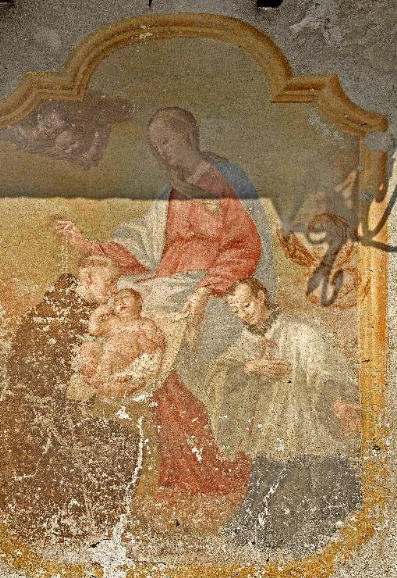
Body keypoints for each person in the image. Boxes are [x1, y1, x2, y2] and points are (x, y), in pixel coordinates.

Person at [55, 106, 274, 499]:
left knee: (167, 346)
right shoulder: (170, 191)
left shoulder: (222, 180)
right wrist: (89, 246)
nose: (163, 151)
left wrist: (206, 290)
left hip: (215, 289)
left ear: (187, 136)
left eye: (167, 141)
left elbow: (244, 245)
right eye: (157, 146)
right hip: (168, 285)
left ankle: (222, 470)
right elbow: (144, 245)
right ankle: (181, 472)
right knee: (134, 329)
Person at [0, 256, 141, 546]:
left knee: (126, 441)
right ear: (88, 279)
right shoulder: (56, 314)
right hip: (34, 422)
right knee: (120, 445)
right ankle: (70, 530)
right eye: (109, 283)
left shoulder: (82, 310)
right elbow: (43, 373)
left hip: (60, 413)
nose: (113, 291)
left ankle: (90, 531)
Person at [206, 277, 362, 550]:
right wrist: (251, 368)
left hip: (304, 425)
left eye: (246, 306)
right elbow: (218, 378)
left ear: (261, 298)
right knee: (267, 492)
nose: (243, 315)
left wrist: (336, 402)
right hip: (270, 430)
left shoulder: (299, 333)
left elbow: (325, 372)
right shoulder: (245, 343)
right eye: (236, 310)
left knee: (323, 487)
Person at [69, 288, 166, 403]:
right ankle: (95, 374)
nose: (120, 302)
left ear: (139, 301)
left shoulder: (145, 324)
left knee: (111, 361)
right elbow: (94, 331)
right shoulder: (113, 322)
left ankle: (103, 381)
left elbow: (155, 347)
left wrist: (146, 343)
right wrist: (96, 314)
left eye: (125, 297)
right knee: (88, 347)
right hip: (104, 355)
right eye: (116, 301)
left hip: (123, 360)